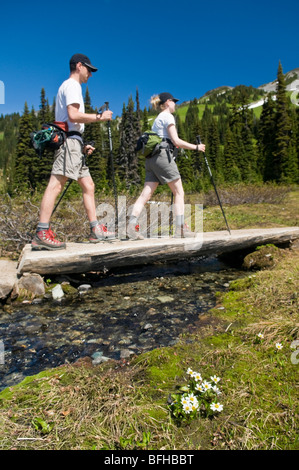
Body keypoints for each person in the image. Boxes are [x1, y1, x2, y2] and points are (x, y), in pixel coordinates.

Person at [31, 53, 114, 251]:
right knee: (56, 184)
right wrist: (100, 117)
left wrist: (81, 144)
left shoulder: (68, 86)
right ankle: (42, 232)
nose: (91, 75)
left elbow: (71, 121)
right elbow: (73, 115)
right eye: (89, 69)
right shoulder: (72, 85)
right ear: (79, 66)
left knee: (88, 184)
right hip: (69, 143)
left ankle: (95, 230)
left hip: (74, 142)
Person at [127, 92, 205, 239]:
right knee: (179, 192)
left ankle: (131, 226)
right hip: (162, 157)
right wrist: (196, 147)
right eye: (173, 101)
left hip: (151, 159)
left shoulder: (157, 119)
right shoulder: (168, 116)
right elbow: (176, 141)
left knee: (146, 194)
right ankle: (181, 228)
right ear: (168, 102)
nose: (175, 104)